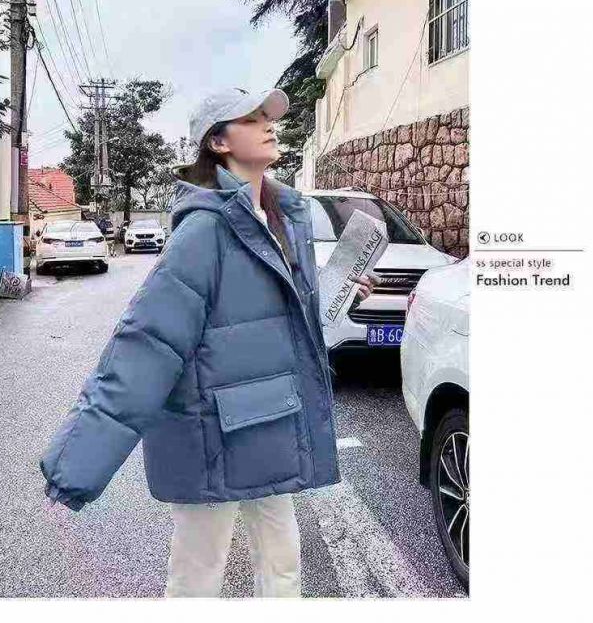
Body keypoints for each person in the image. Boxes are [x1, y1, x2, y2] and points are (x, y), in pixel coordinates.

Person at [39, 87, 379, 597]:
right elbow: (147, 343)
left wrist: (337, 290)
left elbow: (276, 320)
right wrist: (76, 463)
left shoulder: (283, 219)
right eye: (252, 119)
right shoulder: (204, 231)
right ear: (218, 142)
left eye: (269, 117)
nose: (269, 125)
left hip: (271, 421)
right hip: (211, 433)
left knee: (284, 566)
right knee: (198, 574)